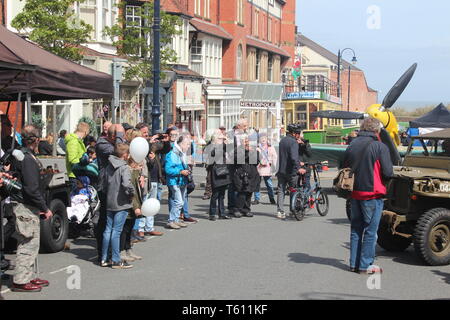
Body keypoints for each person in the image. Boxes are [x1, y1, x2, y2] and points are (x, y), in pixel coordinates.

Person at [342, 118, 393, 274]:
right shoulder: (380, 146)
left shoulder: (352, 144)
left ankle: (353, 264)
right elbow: (388, 172)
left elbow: (343, 166)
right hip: (372, 194)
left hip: (354, 192)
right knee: (370, 231)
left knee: (356, 228)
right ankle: (366, 265)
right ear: (376, 131)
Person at [10, 125, 52, 292]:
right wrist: (44, 207)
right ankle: (20, 280)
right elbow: (31, 188)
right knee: (27, 243)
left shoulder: (27, 156)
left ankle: (30, 276)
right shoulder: (27, 158)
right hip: (26, 206)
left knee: (33, 243)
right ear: (35, 140)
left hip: (29, 206)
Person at [101, 143, 135, 269]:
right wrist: (131, 193)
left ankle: (104, 258)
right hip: (121, 202)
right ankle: (115, 259)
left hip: (110, 201)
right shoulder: (124, 167)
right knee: (117, 231)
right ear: (125, 155)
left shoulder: (108, 165)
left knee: (108, 230)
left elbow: (104, 184)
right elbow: (126, 184)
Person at [95, 124, 125, 263]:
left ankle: (112, 253)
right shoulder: (102, 144)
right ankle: (103, 255)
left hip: (115, 185)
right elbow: (118, 152)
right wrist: (119, 135)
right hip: (105, 187)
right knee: (106, 223)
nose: (123, 138)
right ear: (114, 136)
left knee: (114, 223)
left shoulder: (112, 142)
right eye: (120, 135)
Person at [276, 124, 306, 219]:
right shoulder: (293, 142)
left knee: (281, 190)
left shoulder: (282, 140)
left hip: (281, 170)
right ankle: (293, 210)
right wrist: (298, 167)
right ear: (293, 133)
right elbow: (293, 157)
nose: (299, 135)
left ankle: (280, 211)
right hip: (291, 171)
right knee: (293, 190)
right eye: (298, 133)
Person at [164, 134, 191, 229]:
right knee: (179, 201)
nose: (188, 147)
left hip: (181, 180)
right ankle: (171, 220)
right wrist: (181, 171)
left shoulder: (181, 154)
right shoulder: (172, 154)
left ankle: (176, 219)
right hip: (174, 181)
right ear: (182, 144)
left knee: (181, 201)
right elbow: (168, 170)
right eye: (187, 144)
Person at [231, 136, 261, 218]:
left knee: (249, 192)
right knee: (242, 193)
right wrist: (247, 152)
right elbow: (237, 160)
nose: (247, 143)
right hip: (241, 174)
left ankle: (246, 209)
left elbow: (257, 161)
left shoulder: (254, 149)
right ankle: (237, 209)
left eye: (248, 141)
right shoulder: (238, 150)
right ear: (241, 142)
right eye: (245, 141)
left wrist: (253, 152)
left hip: (252, 174)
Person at [205, 132, 232, 220]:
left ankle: (222, 213)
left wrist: (226, 141)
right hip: (216, 173)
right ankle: (212, 214)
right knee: (215, 194)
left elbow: (231, 148)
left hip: (224, 172)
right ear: (215, 139)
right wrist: (220, 144)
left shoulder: (222, 146)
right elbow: (213, 154)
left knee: (222, 195)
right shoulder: (211, 147)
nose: (222, 140)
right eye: (220, 139)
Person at [253, 135, 278, 205]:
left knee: (269, 184)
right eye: (261, 139)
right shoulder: (257, 148)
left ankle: (272, 198)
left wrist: (273, 165)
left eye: (264, 138)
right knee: (257, 184)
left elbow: (275, 157)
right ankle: (256, 198)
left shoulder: (271, 147)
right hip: (259, 167)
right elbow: (254, 157)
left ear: (267, 140)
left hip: (267, 167)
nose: (263, 140)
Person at [65, 122, 90, 186]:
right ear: (85, 132)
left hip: (78, 174)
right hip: (75, 176)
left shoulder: (77, 141)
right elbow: (72, 159)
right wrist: (84, 162)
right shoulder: (73, 141)